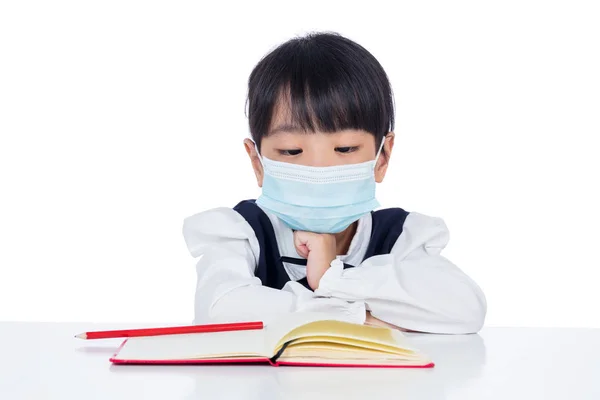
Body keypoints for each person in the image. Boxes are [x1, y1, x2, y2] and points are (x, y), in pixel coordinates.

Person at [182, 32, 486, 334]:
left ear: (382, 157)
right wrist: (358, 317)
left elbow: (465, 309)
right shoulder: (241, 232)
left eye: (345, 149)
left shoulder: (400, 237)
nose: (319, 169)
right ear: (257, 162)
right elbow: (218, 312)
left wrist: (332, 277)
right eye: (291, 151)